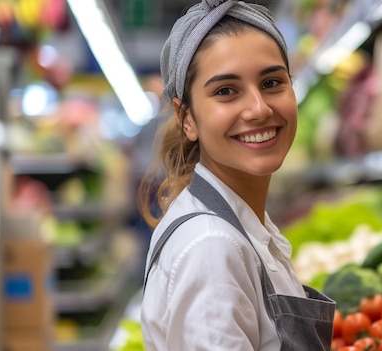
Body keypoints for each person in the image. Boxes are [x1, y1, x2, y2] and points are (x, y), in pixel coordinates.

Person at [136, 0, 335, 350]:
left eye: (272, 82)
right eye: (226, 91)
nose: (259, 108)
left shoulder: (240, 225)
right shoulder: (213, 248)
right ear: (187, 118)